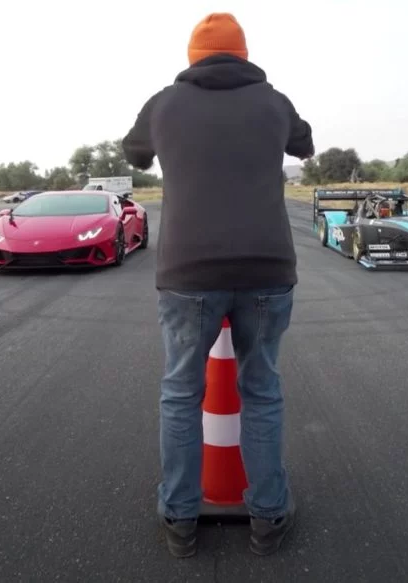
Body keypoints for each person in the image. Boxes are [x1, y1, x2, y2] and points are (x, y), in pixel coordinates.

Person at [122, 12, 314, 559]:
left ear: (192, 58)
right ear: (243, 54)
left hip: (188, 274)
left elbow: (133, 154)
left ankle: (180, 519)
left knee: (181, 393)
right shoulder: (274, 101)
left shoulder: (163, 104)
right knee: (262, 391)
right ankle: (268, 515)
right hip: (267, 270)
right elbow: (304, 145)